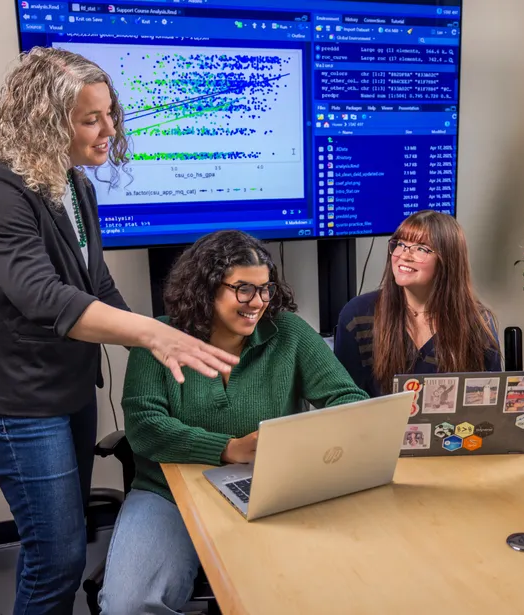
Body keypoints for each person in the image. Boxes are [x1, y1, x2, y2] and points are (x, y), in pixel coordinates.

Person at [0, 48, 238, 614]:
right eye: (91, 119)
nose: (111, 128)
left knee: (67, 546)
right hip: (17, 402)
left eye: (110, 113)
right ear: (45, 120)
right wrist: (152, 337)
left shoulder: (72, 184)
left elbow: (95, 284)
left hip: (69, 388)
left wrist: (162, 338)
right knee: (56, 557)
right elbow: (43, 297)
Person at [98, 230, 368, 614]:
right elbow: (144, 427)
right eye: (243, 289)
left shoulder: (286, 332)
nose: (257, 302)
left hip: (270, 491)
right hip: (167, 496)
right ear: (205, 288)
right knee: (129, 605)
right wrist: (227, 449)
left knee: (306, 595)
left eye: (265, 289)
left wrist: (306, 444)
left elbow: (349, 400)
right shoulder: (158, 338)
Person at [335, 210, 501, 397]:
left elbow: (489, 402)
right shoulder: (358, 316)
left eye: (421, 248)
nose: (404, 255)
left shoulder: (477, 322)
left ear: (448, 260)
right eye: (401, 244)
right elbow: (345, 400)